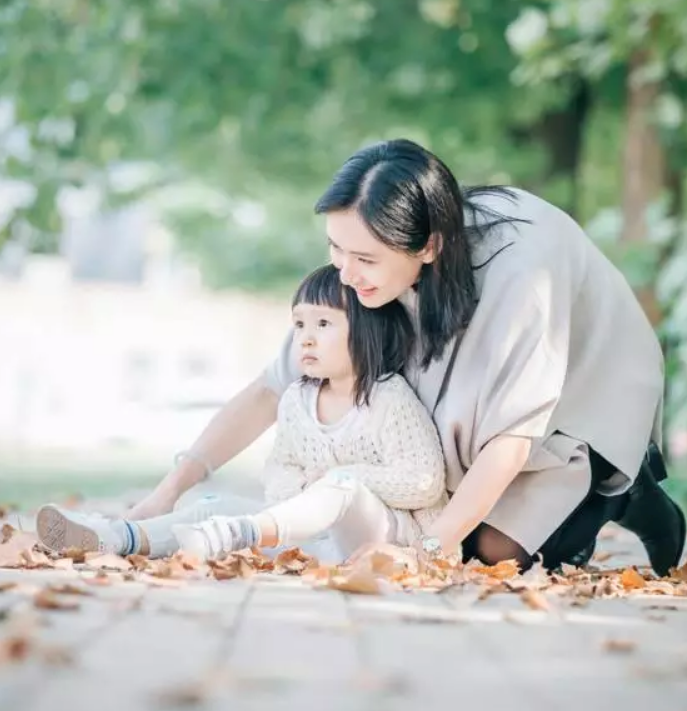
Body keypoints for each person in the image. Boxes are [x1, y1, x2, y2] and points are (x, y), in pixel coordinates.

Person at [85, 137, 684, 576]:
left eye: (364, 258)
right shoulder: (367, 271)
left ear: (429, 245)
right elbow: (273, 388)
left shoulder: (522, 278)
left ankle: (622, 490)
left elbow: (511, 436)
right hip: (486, 364)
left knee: (492, 552)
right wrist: (170, 490)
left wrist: (428, 553)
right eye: (335, 249)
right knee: (464, 524)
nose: (345, 273)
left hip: (589, 377)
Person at [36, 265, 448, 562]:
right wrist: (300, 497)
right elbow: (281, 469)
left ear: (369, 331)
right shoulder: (296, 401)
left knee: (338, 487)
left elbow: (424, 481)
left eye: (323, 324)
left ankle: (238, 534)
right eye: (299, 324)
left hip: (382, 542)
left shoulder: (389, 399)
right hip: (313, 539)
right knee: (209, 504)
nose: (305, 338)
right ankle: (112, 536)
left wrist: (342, 481)